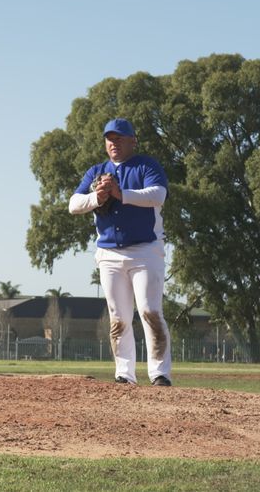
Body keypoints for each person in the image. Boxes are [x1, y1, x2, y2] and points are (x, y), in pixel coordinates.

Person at [69, 118, 172, 386]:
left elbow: (158, 195)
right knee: (119, 316)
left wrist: (120, 193)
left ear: (132, 141)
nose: (113, 143)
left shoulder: (146, 165)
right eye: (109, 139)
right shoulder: (96, 171)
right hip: (110, 254)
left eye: (119, 138)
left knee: (150, 310)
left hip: (145, 250)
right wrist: (98, 198)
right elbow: (73, 204)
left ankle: (160, 373)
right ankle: (124, 374)